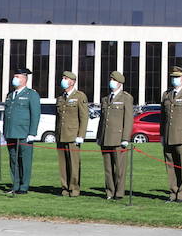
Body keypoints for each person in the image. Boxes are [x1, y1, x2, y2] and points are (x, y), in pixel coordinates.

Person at [1, 66, 41, 196]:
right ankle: (15, 184)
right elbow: (7, 115)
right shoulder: (10, 95)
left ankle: (24, 186)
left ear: (24, 79)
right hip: (11, 132)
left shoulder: (31, 94)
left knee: (24, 160)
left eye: (17, 77)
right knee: (13, 160)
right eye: (14, 76)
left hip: (24, 133)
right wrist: (5, 132)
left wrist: (32, 133)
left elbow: (35, 114)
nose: (15, 79)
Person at [97, 72, 134, 200]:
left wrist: (125, 138)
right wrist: (99, 136)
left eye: (113, 79)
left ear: (119, 82)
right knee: (108, 168)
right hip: (105, 138)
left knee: (119, 168)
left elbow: (128, 119)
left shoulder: (126, 98)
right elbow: (102, 120)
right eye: (110, 79)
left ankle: (119, 192)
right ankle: (109, 191)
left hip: (118, 138)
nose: (111, 81)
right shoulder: (105, 99)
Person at [55, 70, 90, 197]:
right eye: (63, 77)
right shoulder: (60, 97)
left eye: (66, 78)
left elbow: (84, 117)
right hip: (61, 135)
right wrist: (56, 133)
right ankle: (64, 188)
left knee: (74, 165)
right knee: (63, 165)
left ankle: (74, 189)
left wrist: (81, 135)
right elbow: (58, 118)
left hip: (73, 136)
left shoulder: (80, 96)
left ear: (72, 81)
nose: (63, 80)